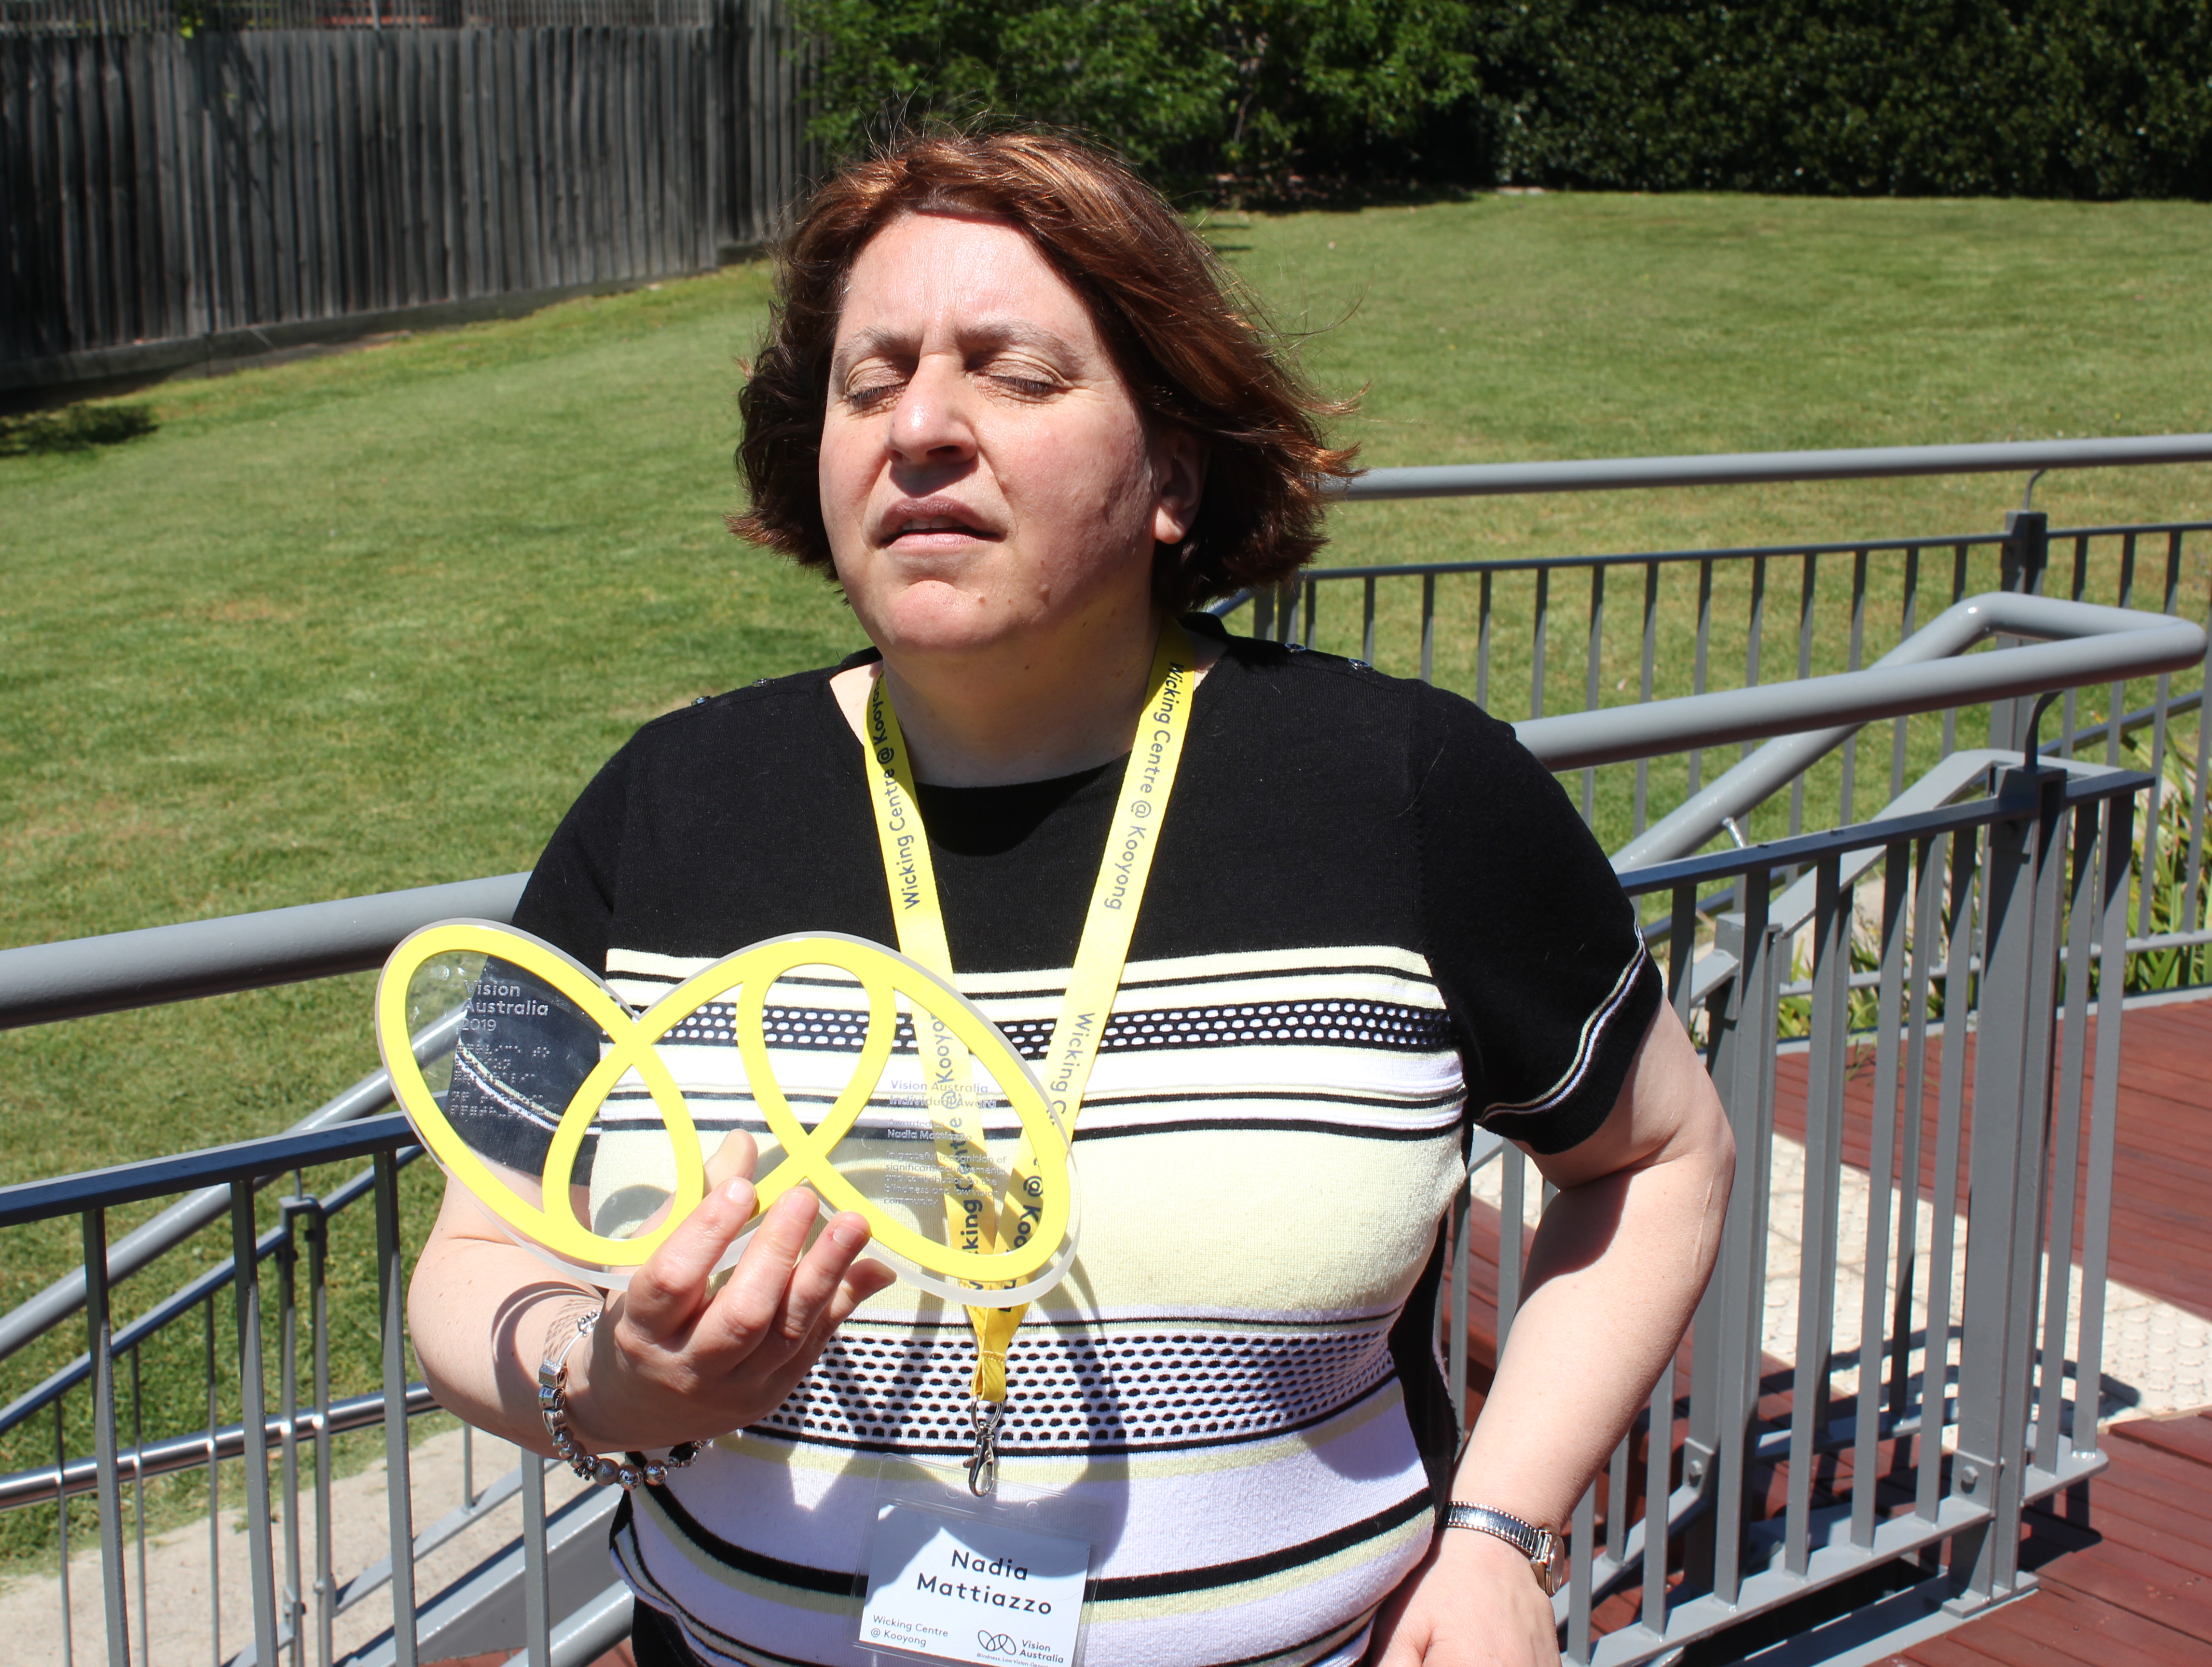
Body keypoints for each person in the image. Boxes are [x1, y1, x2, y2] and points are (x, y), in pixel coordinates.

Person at [408, 129, 1734, 1667]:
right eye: (869, 380)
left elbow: (1655, 1157)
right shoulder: (663, 803)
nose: (919, 429)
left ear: (1171, 471)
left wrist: (1506, 1533)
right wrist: (603, 1383)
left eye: (1013, 375)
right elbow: (475, 1260)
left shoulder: (1407, 790)